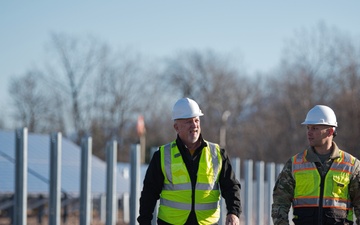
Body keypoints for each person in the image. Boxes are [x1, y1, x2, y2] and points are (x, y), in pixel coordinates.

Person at [137, 97, 241, 225]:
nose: (194, 125)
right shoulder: (163, 155)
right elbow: (149, 192)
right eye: (188, 121)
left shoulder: (217, 154)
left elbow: (231, 186)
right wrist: (144, 221)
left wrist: (233, 212)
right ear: (176, 127)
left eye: (196, 120)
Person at [272, 105, 360, 225]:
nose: (309, 132)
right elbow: (280, 203)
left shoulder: (351, 165)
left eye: (314, 128)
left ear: (330, 131)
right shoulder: (294, 164)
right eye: (308, 128)